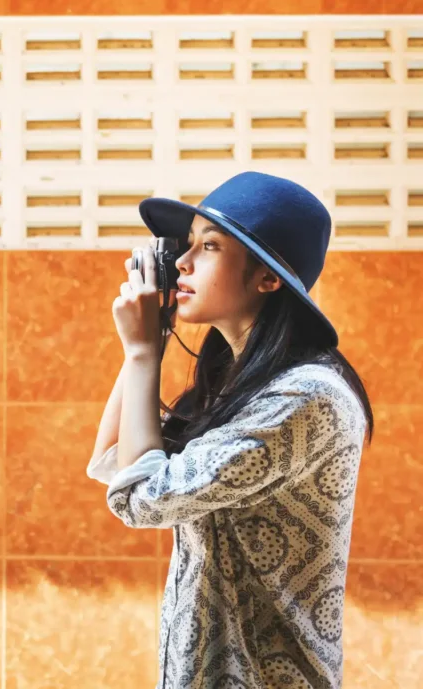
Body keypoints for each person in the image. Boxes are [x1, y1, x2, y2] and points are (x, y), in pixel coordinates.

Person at [86, 171, 374, 689]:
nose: (182, 263)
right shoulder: (236, 386)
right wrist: (151, 340)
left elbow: (143, 497)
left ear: (268, 278)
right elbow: (113, 457)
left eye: (210, 246)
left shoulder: (306, 396)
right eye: (187, 243)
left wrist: (143, 351)